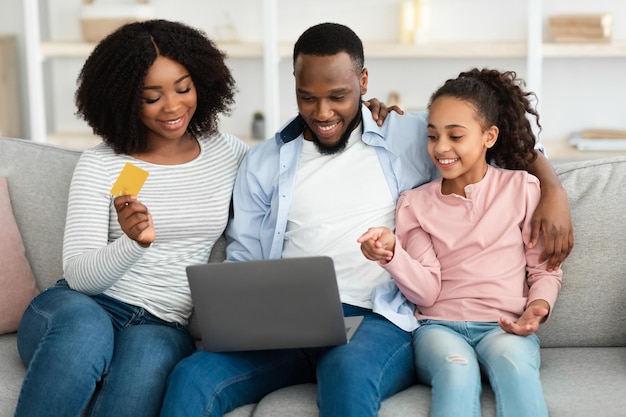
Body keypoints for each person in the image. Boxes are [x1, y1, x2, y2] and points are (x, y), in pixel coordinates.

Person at [161, 23, 572, 417]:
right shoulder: (263, 161)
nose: (322, 112)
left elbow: (496, 145)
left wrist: (552, 190)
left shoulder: (409, 134)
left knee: (347, 373)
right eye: (307, 97)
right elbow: (245, 257)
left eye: (338, 96)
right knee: (192, 375)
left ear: (364, 82)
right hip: (286, 320)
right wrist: (238, 316)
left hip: (374, 318)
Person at [14, 20, 248, 417]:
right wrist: (133, 243)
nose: (173, 107)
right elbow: (81, 278)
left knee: (142, 371)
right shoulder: (101, 164)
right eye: (151, 96)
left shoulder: (229, 154)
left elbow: (292, 160)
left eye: (183, 88)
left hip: (161, 323)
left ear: (203, 84)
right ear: (124, 99)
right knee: (85, 330)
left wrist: (369, 117)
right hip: (79, 307)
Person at [358, 68, 563, 417]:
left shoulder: (524, 190)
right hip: (438, 329)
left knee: (515, 366)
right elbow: (426, 293)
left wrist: (537, 307)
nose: (441, 148)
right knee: (457, 370)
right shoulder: (414, 203)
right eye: (433, 135)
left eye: (455, 136)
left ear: (489, 136)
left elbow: (544, 270)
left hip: (504, 326)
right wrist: (393, 254)